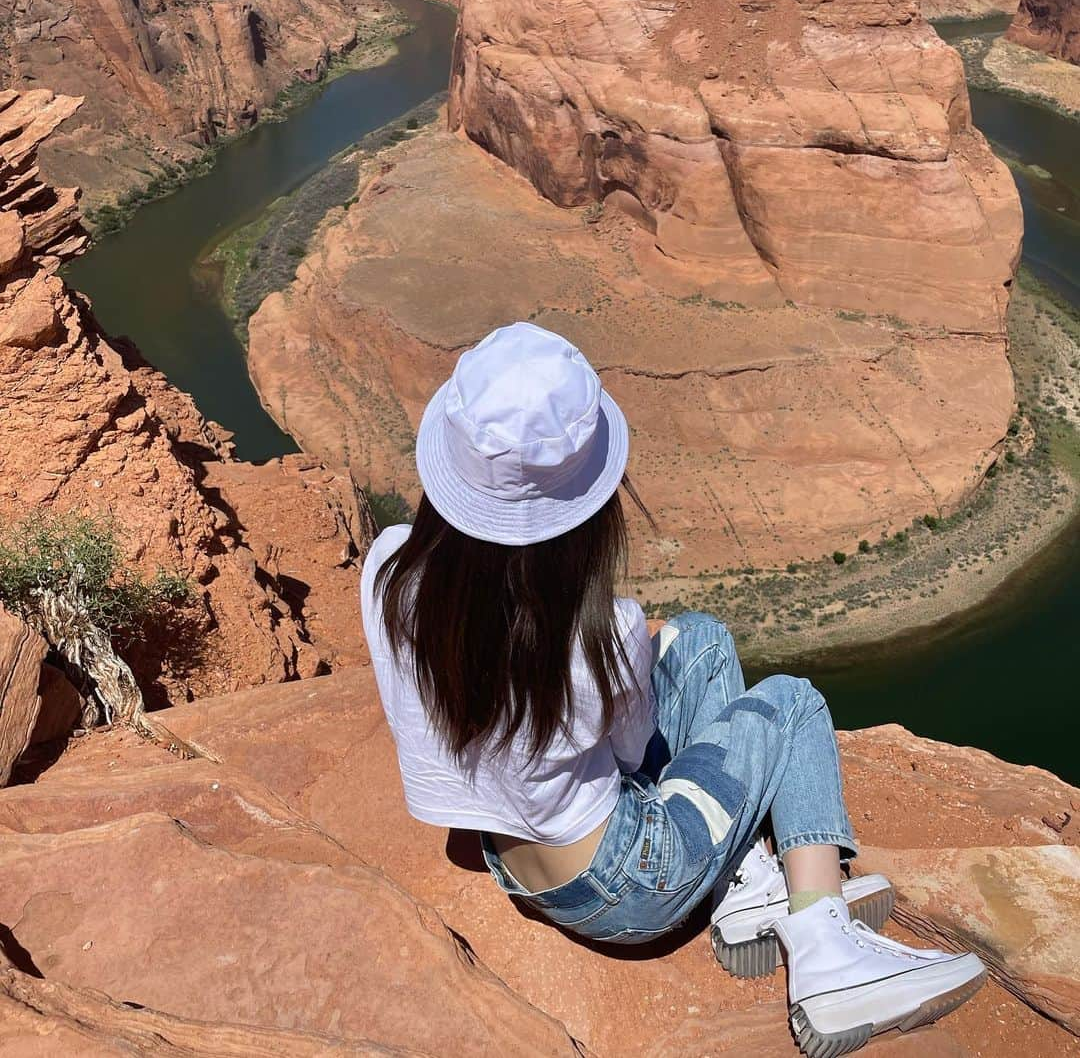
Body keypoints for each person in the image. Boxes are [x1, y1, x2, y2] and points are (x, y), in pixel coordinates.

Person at [361, 322, 986, 1054]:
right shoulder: (595, 636)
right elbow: (633, 756)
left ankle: (745, 887)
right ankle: (826, 950)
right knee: (789, 703)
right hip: (628, 884)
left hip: (509, 859)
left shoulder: (388, 569)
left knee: (701, 637)